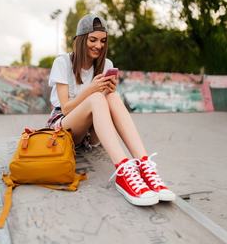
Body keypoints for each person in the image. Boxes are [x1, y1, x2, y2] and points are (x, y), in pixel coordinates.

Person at [46, 13, 176, 206]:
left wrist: (108, 92)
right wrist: (92, 90)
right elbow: (65, 107)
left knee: (112, 97)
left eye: (103, 41)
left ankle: (145, 166)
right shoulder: (63, 62)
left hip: (91, 131)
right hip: (63, 127)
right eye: (93, 40)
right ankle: (124, 171)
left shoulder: (105, 64)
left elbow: (104, 102)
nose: (98, 46)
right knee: (97, 97)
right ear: (81, 40)